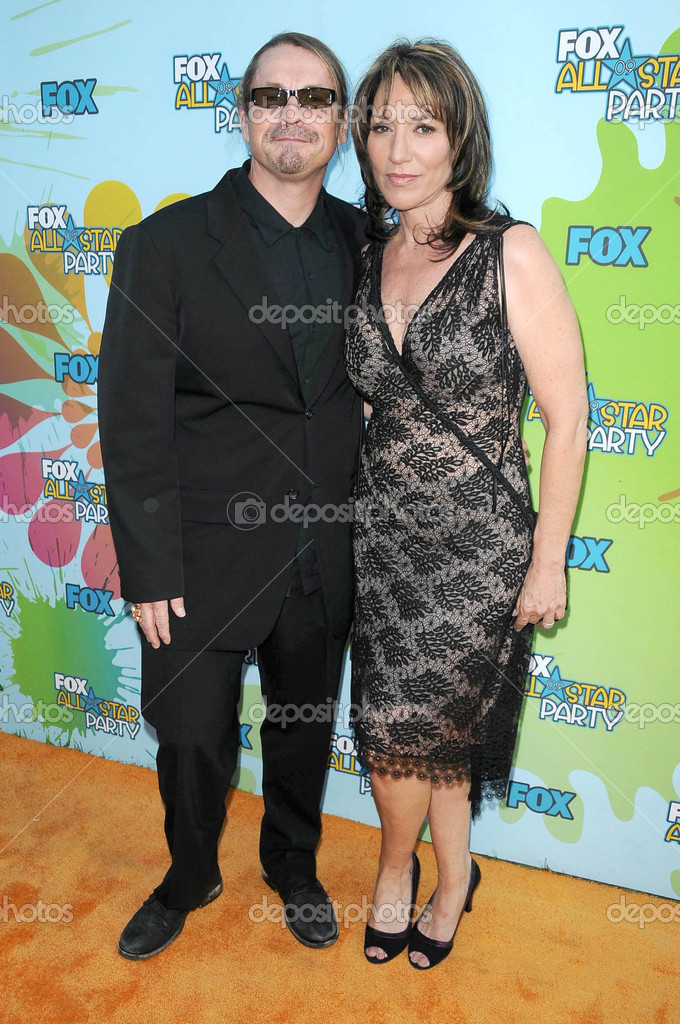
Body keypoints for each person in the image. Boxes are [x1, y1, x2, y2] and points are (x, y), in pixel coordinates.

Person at [97, 31, 370, 959]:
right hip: (200, 551)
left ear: (342, 121)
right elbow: (131, 417)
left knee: (303, 730)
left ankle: (293, 865)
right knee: (189, 740)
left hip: (322, 546)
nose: (291, 113)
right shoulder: (164, 245)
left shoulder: (365, 241)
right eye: (270, 96)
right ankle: (189, 875)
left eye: (314, 97)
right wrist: (148, 567)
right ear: (242, 115)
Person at [343, 38, 588, 970]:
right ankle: (454, 873)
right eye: (381, 127)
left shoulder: (508, 252)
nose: (399, 149)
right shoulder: (369, 254)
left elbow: (568, 420)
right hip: (384, 541)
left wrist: (548, 560)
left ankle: (401, 872)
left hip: (479, 545)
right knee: (416, 732)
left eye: (423, 126)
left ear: (459, 139)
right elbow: (375, 407)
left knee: (414, 728)